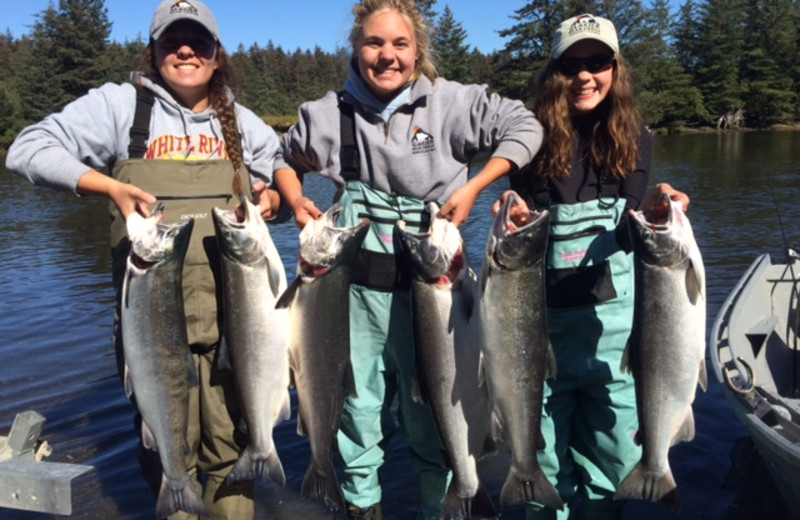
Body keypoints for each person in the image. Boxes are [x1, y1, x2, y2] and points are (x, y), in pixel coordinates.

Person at [5, 1, 283, 518]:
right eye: (171, 40)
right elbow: (26, 149)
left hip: (234, 331)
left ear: (217, 56)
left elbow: (280, 176)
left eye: (198, 42)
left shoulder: (242, 123)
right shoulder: (117, 108)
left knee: (230, 451)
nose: (185, 50)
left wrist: (273, 199)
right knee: (167, 452)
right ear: (152, 52)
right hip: (152, 333)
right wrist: (108, 186)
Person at [273, 1, 543, 518]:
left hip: (435, 298)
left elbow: (525, 127)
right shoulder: (327, 115)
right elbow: (284, 157)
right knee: (356, 422)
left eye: (399, 44)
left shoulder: (456, 105)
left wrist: (479, 186)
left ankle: (446, 505)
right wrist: (294, 196)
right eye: (374, 44)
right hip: (353, 301)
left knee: (436, 422)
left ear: (418, 50)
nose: (387, 56)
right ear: (356, 48)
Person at [494, 13, 689, 520]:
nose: (585, 76)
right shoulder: (530, 142)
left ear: (615, 69)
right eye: (571, 65)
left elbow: (628, 227)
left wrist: (657, 207)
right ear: (554, 73)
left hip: (619, 346)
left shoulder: (636, 138)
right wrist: (512, 213)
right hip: (542, 343)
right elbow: (523, 228)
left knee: (614, 470)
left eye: (597, 62)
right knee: (541, 471)